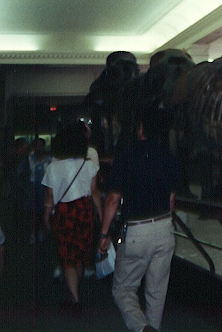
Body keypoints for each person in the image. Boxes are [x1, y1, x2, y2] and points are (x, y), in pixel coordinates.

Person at [98, 107, 180, 332]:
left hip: (135, 231)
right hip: (164, 228)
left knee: (123, 290)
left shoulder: (126, 157)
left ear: (141, 128)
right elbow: (171, 201)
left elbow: (113, 199)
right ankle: (153, 327)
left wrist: (104, 233)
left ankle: (142, 328)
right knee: (157, 292)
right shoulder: (170, 158)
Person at [42, 121, 102, 308]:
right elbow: (94, 193)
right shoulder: (88, 165)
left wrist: (46, 216)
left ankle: (74, 298)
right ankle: (75, 292)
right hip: (84, 211)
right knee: (81, 253)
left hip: (64, 212)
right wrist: (100, 216)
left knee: (67, 256)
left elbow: (50, 197)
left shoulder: (53, 167)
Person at [18, 137, 49, 244]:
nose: (38, 148)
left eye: (40, 146)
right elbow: (20, 173)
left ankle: (41, 230)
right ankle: (32, 233)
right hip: (31, 188)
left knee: (43, 210)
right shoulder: (28, 159)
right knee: (32, 212)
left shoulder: (48, 159)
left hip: (44, 188)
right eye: (36, 146)